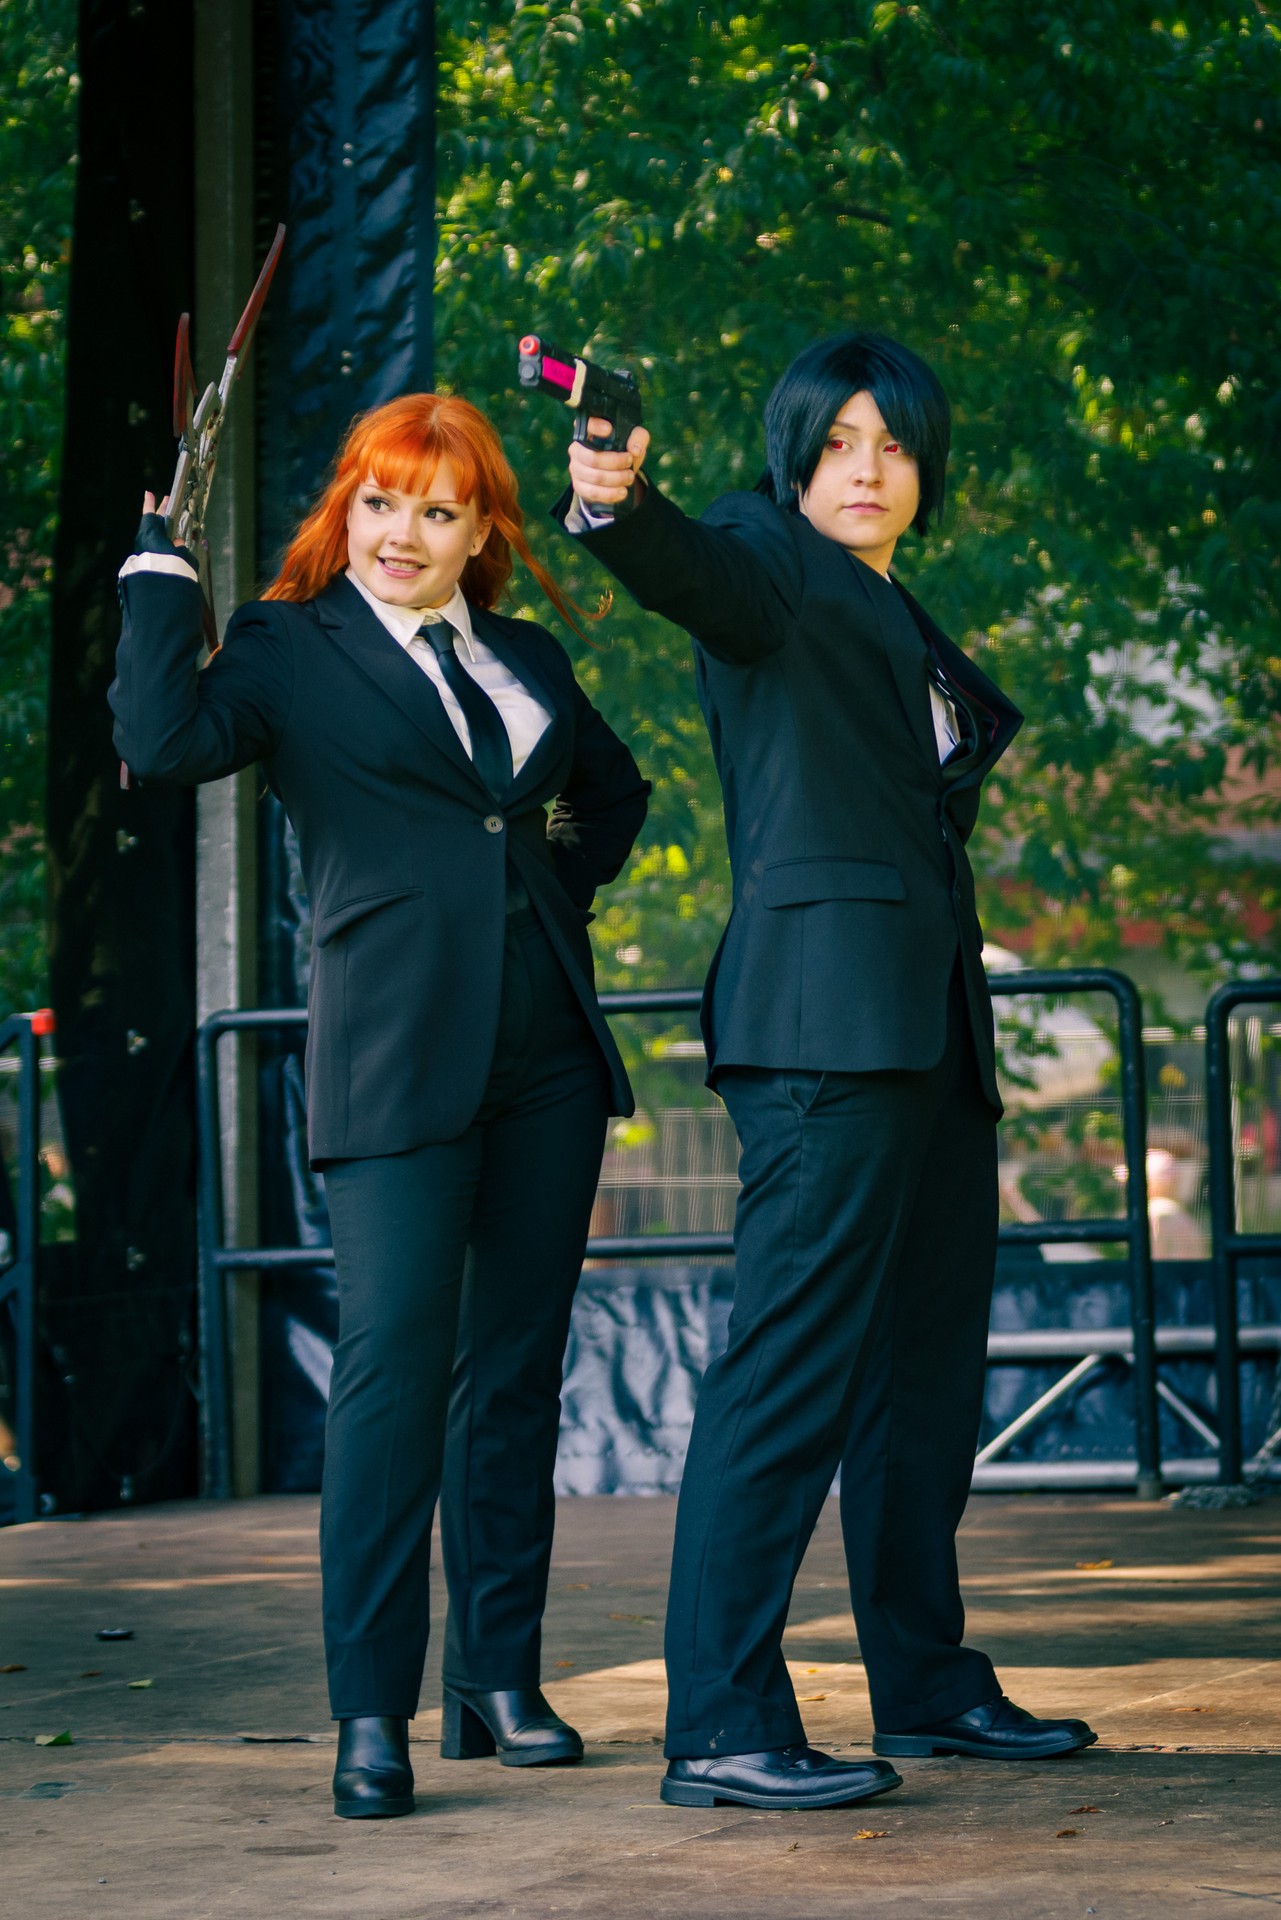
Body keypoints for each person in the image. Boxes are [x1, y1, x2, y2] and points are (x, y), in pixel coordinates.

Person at [557, 330, 1096, 1812]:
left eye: (896, 446)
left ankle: (924, 1681)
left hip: (931, 1034)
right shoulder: (769, 556)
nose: (869, 470)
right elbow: (693, 571)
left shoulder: (889, 602)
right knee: (789, 1371)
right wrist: (615, 495)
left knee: (922, 1381)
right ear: (794, 458)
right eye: (841, 441)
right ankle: (722, 1725)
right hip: (821, 1033)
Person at [111, 392, 649, 1820]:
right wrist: (161, 569)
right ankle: (371, 1712)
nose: (401, 532)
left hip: (546, 1061)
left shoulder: (525, 658)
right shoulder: (290, 647)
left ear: (480, 532)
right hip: (395, 1058)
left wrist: (540, 893)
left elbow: (611, 794)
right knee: (392, 1376)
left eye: (436, 510)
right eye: (378, 500)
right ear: (344, 509)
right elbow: (160, 739)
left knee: (514, 1375)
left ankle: (499, 1680)